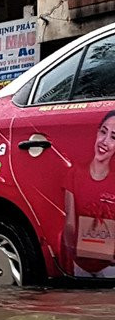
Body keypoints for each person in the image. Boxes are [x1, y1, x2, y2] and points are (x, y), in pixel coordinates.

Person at [61, 111, 115, 277]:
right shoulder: (74, 174)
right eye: (103, 132)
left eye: (114, 137)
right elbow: (69, 223)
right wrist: (74, 250)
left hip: (110, 266)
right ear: (97, 132)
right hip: (80, 264)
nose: (105, 142)